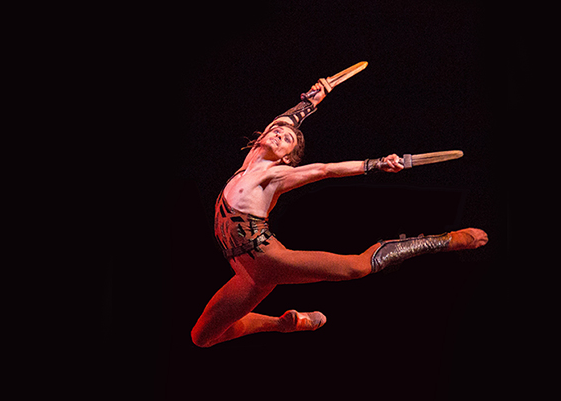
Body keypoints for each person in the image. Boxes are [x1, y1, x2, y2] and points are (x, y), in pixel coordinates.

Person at [191, 82, 488, 347]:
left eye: (287, 140)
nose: (280, 134)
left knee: (357, 267)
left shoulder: (275, 175)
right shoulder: (250, 162)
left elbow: (324, 170)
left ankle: (445, 240)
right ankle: (285, 324)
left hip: (269, 261)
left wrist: (376, 164)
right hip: (248, 274)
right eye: (276, 132)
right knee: (202, 337)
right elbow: (286, 119)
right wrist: (312, 100)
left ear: (285, 158)